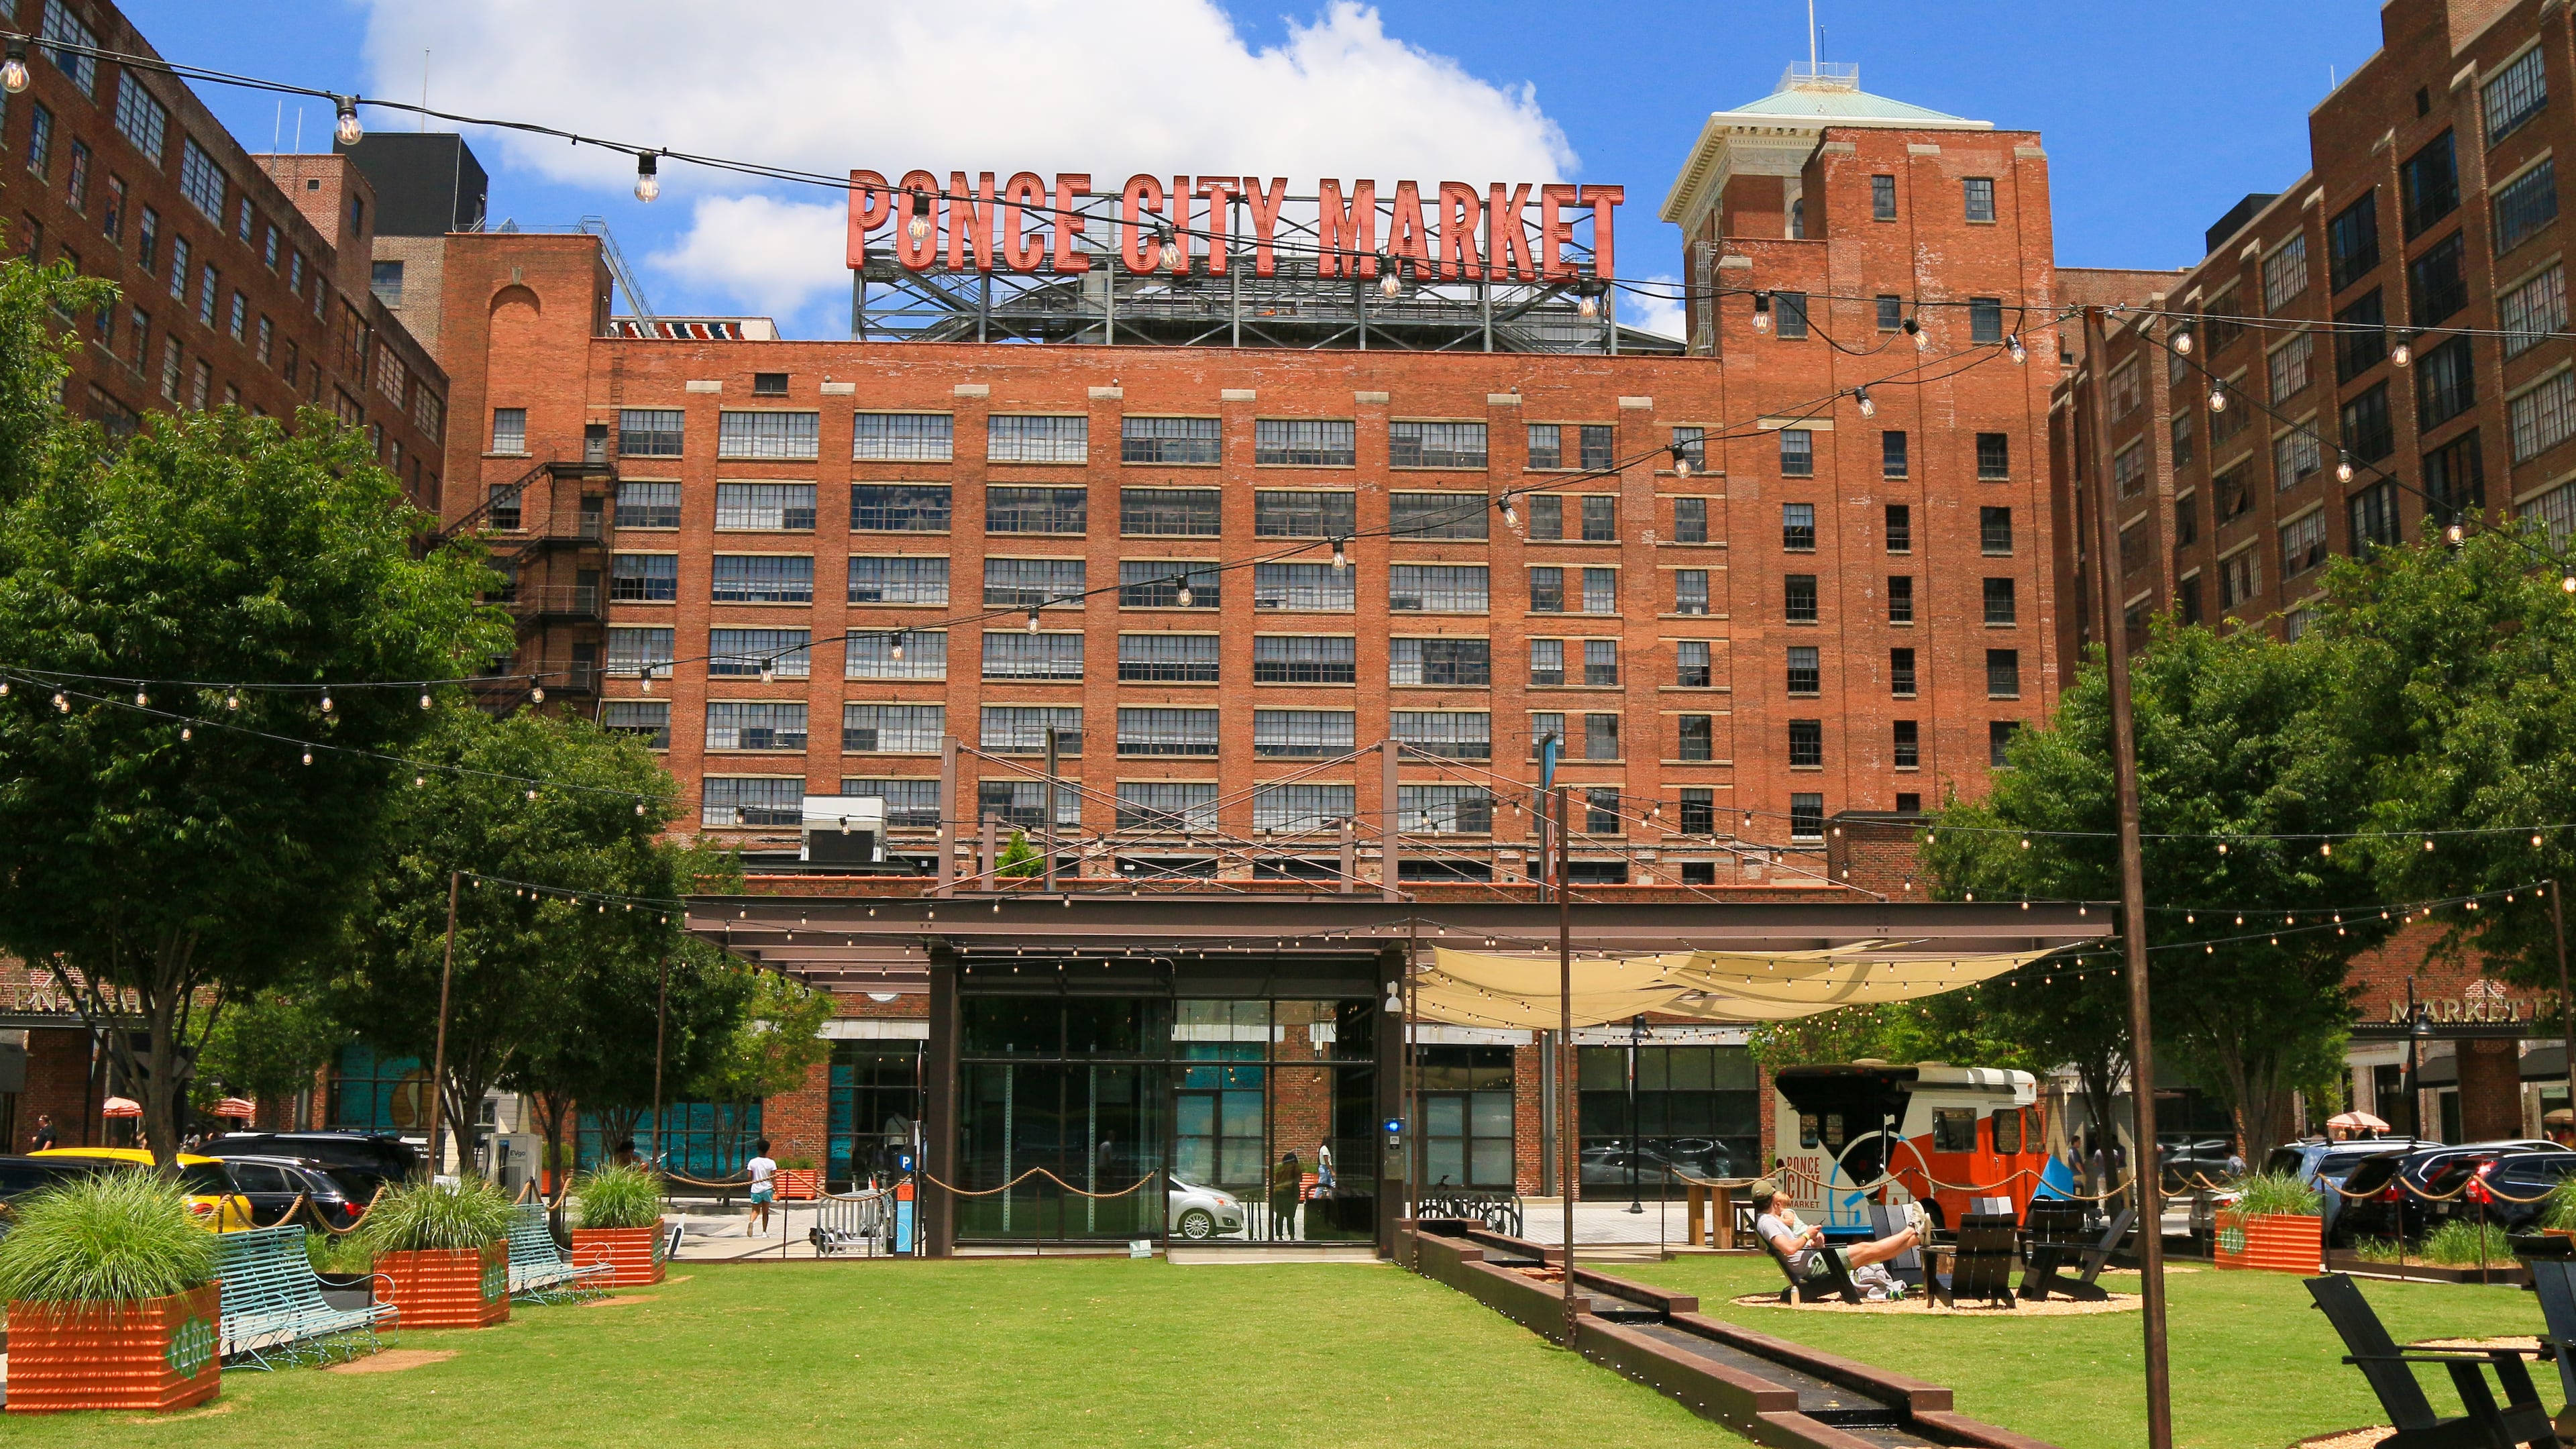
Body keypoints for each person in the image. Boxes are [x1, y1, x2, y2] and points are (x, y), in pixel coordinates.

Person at [1751, 1180, 1921, 1298]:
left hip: (1814, 1260)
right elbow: (1789, 1248)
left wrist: (1812, 1241)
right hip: (1814, 1265)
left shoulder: (1769, 1220)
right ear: (1774, 1198)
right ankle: (1911, 1230)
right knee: (1867, 1249)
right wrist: (1807, 1235)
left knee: (1871, 1255)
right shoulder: (1767, 1222)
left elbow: (1791, 1247)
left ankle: (1916, 1239)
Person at [745, 1139, 778, 1234]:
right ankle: (764, 1232)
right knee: (765, 1212)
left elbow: (749, 1177)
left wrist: (752, 1182)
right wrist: (777, 1191)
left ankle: (751, 1222)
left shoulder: (752, 1162)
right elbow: (773, 1178)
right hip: (767, 1189)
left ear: (758, 1149)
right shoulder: (771, 1163)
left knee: (755, 1210)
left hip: (756, 1189)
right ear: (767, 1150)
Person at [1270, 1150, 1302, 1242]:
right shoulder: (1295, 1167)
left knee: (1279, 1216)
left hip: (1278, 1194)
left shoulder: (1281, 1169)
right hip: (1290, 1194)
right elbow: (1298, 1179)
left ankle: (1279, 1236)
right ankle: (1292, 1236)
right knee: (1290, 1216)